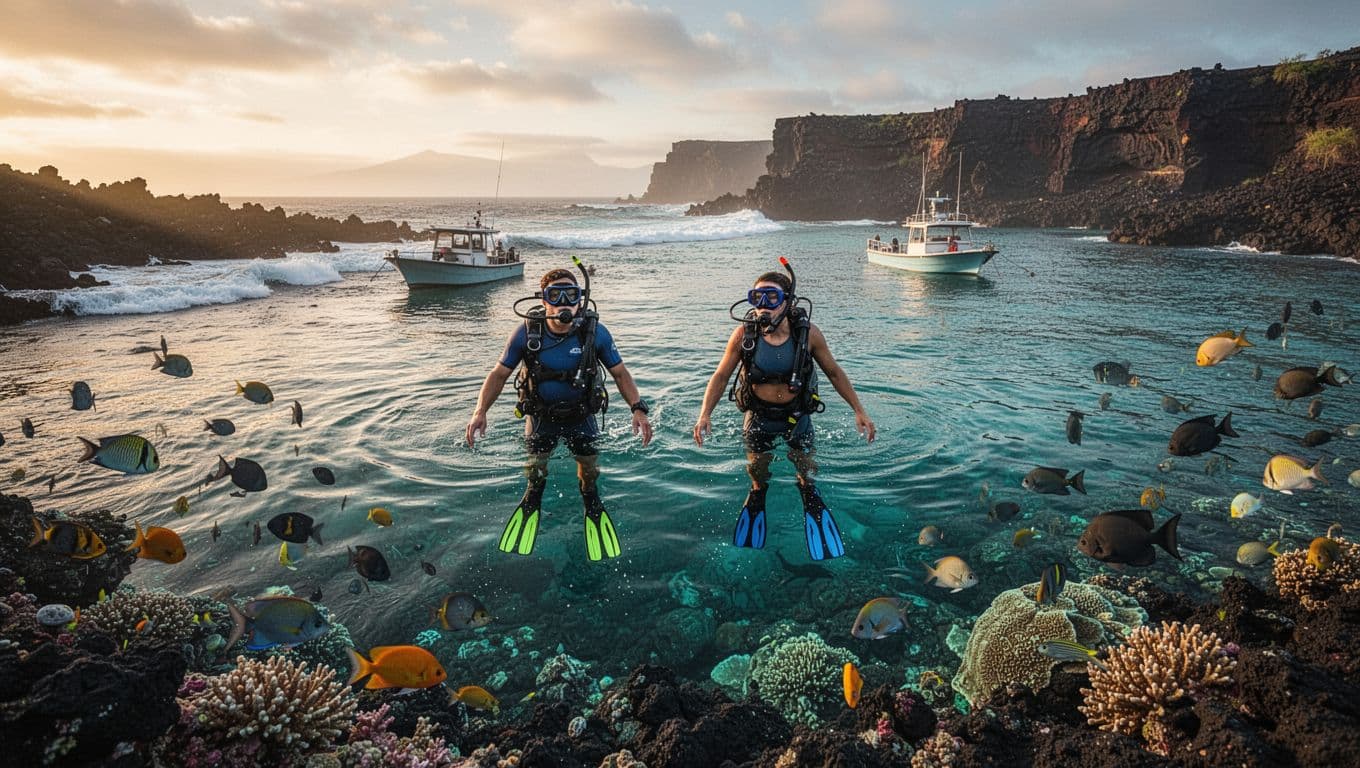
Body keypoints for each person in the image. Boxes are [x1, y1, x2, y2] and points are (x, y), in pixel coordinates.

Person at [692, 259, 875, 560]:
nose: (763, 306)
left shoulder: (808, 334)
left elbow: (833, 371)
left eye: (771, 298)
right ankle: (757, 496)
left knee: (806, 469)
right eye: (756, 298)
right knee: (758, 471)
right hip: (759, 418)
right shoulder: (743, 335)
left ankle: (809, 495)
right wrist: (704, 414)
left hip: (797, 417)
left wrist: (859, 410)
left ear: (787, 301)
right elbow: (721, 375)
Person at [467, 265, 652, 560]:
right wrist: (480, 411)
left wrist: (638, 409)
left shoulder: (595, 333)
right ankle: (532, 498)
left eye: (571, 294)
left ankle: (591, 502)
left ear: (580, 300)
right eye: (556, 295)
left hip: (582, 417)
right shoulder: (526, 333)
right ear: (544, 300)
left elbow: (620, 373)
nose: (564, 301)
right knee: (536, 468)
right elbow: (498, 374)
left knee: (589, 469)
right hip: (541, 420)